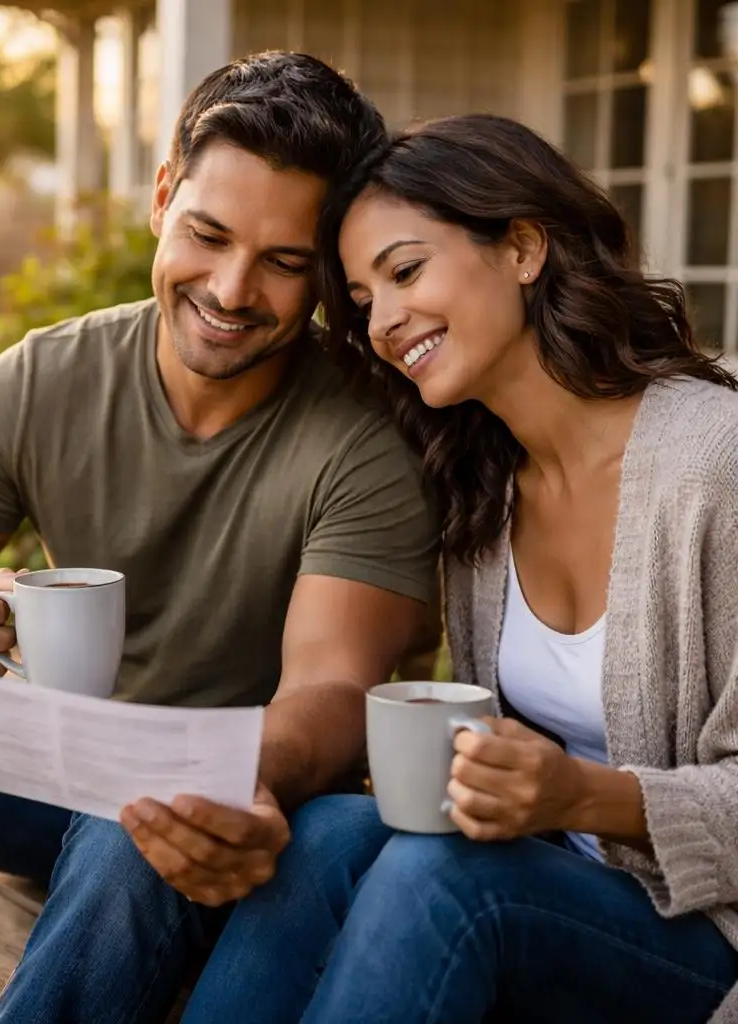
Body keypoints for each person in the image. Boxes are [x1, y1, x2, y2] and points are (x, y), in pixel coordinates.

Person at [0, 53, 440, 1024]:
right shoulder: (49, 377)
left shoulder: (361, 436)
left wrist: (198, 777)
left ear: (327, 272)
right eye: (208, 234)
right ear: (160, 199)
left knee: (139, 813)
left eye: (283, 261)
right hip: (58, 764)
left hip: (241, 799)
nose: (231, 289)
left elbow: (331, 694)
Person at [181, 113, 738, 1024]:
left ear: (522, 247)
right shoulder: (483, 491)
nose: (386, 322)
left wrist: (585, 796)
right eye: (361, 300)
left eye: (405, 272)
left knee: (444, 875)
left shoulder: (715, 466)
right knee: (324, 834)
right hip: (562, 900)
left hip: (705, 939)